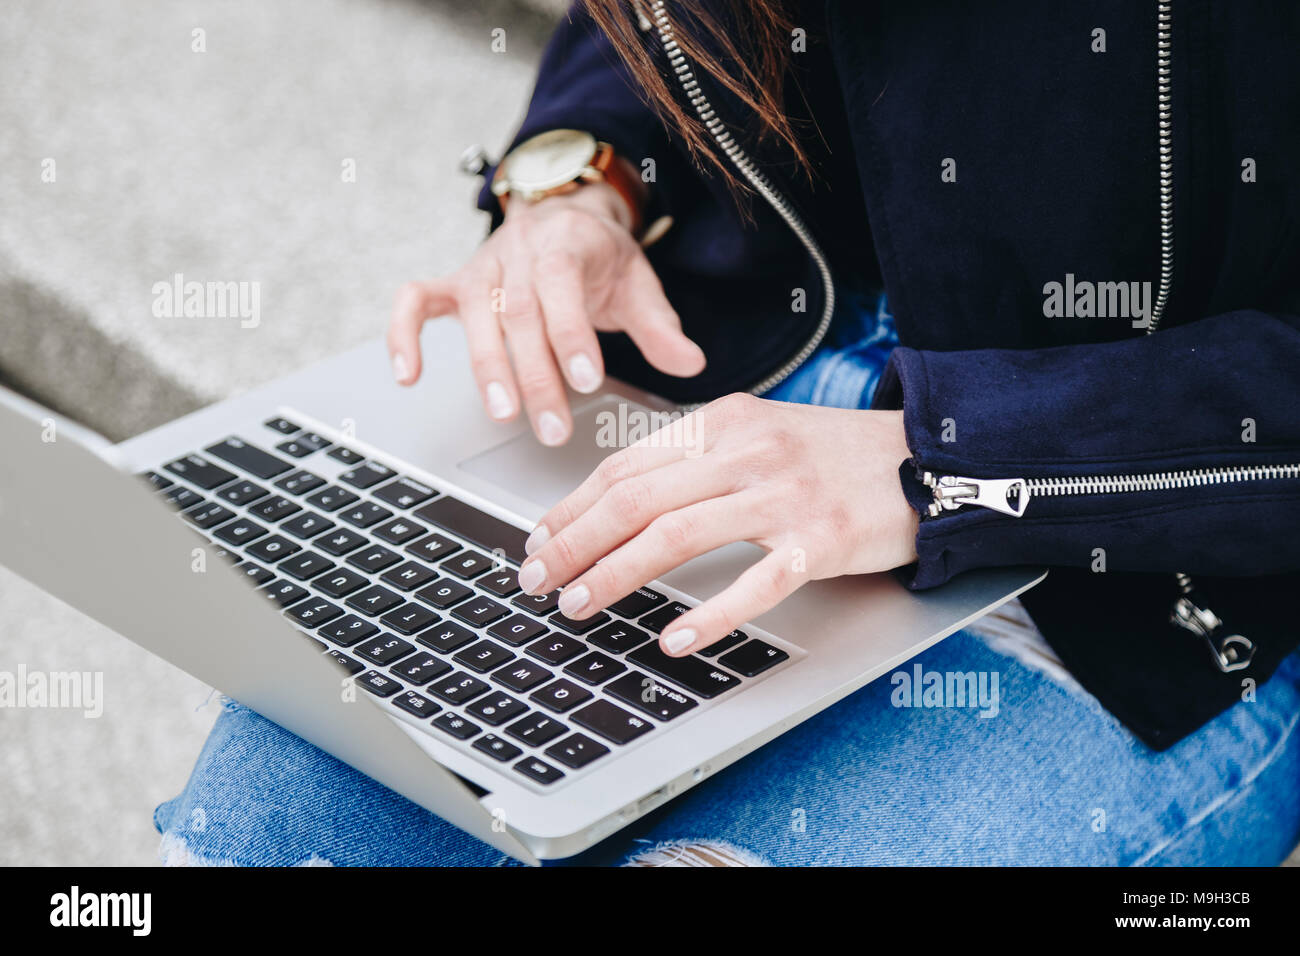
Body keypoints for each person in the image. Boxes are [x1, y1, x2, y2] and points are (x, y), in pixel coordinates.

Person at [156, 1, 1300, 866]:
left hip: (1138, 581)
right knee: (263, 822)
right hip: (707, 423)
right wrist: (578, 182)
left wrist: (945, 460)